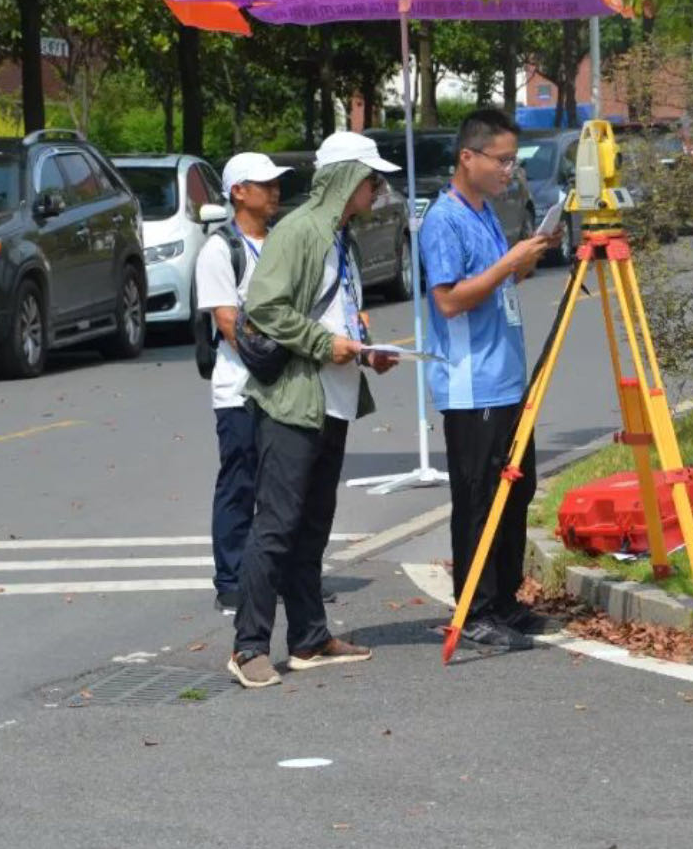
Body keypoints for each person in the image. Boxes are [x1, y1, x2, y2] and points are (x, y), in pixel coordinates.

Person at [226, 132, 402, 689]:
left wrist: (365, 351)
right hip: (295, 399)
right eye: (371, 179)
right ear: (347, 180)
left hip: (335, 396)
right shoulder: (301, 231)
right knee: (276, 524)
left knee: (313, 524)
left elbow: (337, 315)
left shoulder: (338, 236)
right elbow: (265, 306)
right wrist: (329, 346)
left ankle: (308, 637)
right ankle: (248, 645)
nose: (377, 188)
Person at [419, 109, 561, 652]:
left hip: (505, 379)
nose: (509, 170)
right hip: (471, 384)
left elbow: (496, 282)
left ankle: (504, 600)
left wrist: (524, 258)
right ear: (468, 157)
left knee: (516, 492)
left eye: (512, 160)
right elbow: (450, 300)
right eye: (501, 160)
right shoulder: (444, 220)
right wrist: (508, 265)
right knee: (479, 498)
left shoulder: (484, 213)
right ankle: (474, 606)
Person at [194, 152, 285, 615]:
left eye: (275, 183)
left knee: (282, 486)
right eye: (263, 183)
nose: (274, 190)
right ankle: (230, 579)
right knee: (240, 483)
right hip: (239, 389)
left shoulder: (280, 243)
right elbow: (229, 324)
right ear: (238, 192)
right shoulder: (219, 249)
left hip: (284, 389)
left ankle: (281, 574)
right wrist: (283, 346)